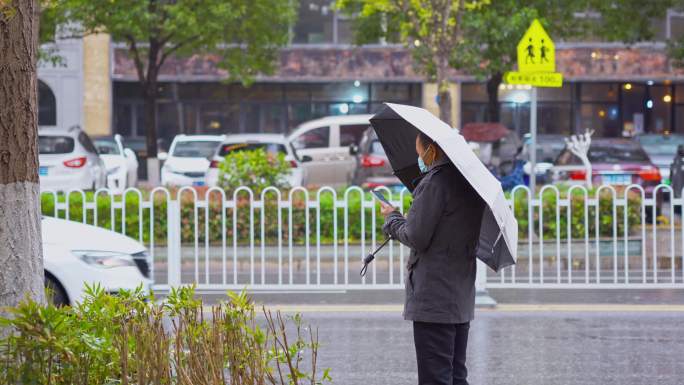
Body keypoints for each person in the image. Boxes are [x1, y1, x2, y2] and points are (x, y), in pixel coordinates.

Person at [379, 131, 486, 385]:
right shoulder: (469, 182)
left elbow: (416, 236)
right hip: (459, 296)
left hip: (434, 298)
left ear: (432, 151)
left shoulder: (434, 183)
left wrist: (393, 218)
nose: (420, 158)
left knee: (435, 377)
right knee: (456, 375)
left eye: (420, 153)